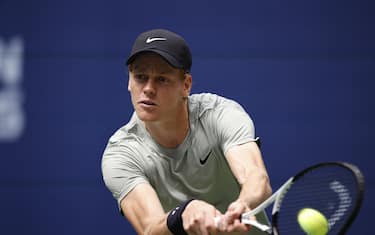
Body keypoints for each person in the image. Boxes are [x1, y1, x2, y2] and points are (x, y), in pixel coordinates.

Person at [101, 28, 272, 235]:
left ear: (186, 85)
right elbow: (149, 228)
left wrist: (243, 203)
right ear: (129, 81)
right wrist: (182, 213)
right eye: (140, 77)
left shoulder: (219, 114)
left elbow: (256, 176)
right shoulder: (121, 154)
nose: (148, 88)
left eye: (162, 79)